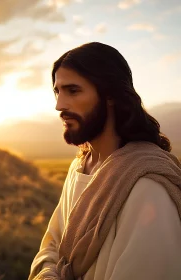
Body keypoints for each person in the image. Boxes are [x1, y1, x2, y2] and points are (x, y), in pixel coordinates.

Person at [28, 42, 181, 280]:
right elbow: (52, 246)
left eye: (73, 91)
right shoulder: (79, 166)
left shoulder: (148, 185)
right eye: (58, 92)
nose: (59, 105)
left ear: (110, 95)